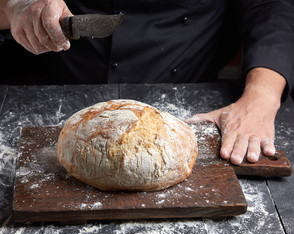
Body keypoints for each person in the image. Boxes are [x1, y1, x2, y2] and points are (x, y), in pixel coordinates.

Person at [0, 0, 293, 165]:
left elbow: (272, 7)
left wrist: (262, 98)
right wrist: (15, 5)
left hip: (193, 106)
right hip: (57, 90)